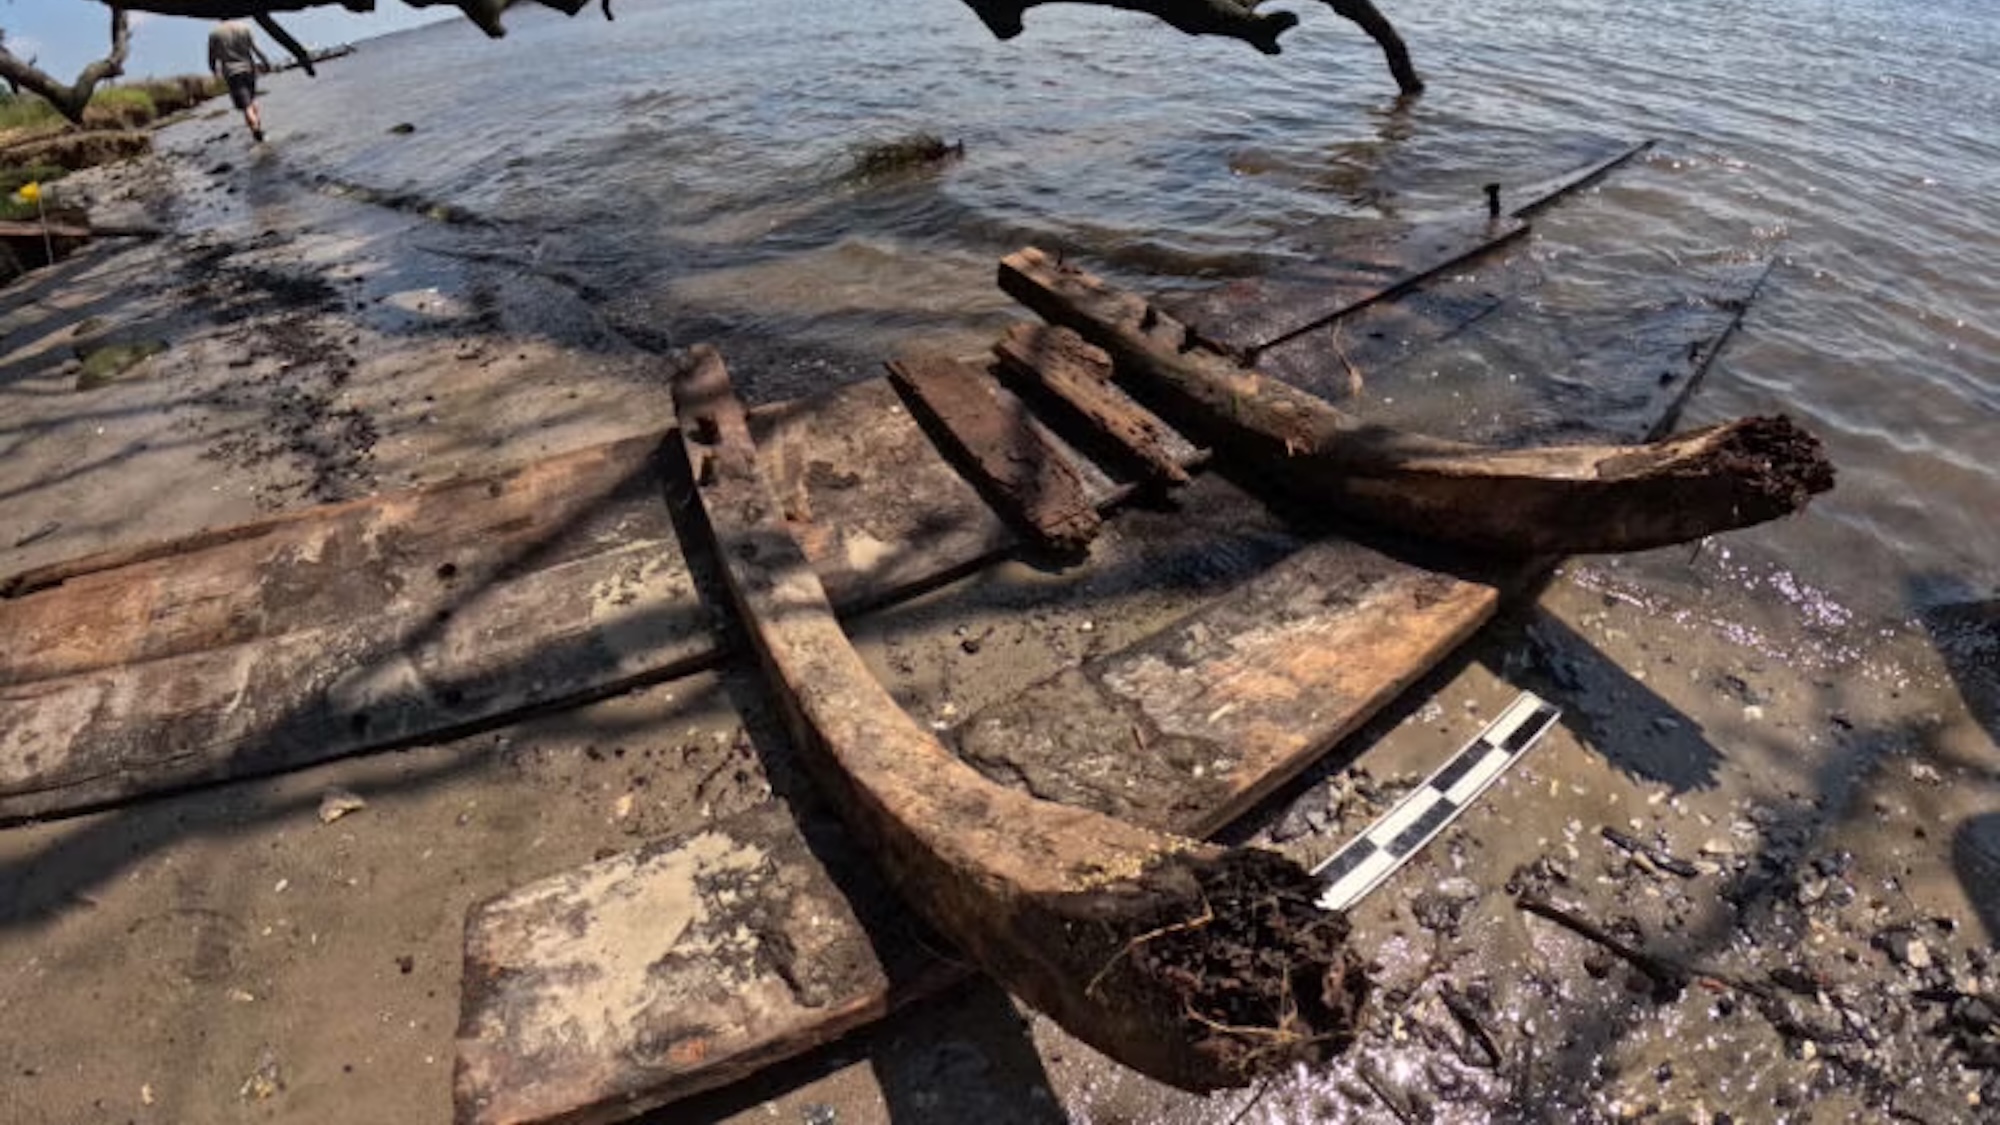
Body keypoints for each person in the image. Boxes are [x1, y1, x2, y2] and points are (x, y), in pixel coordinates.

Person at [207, 20, 272, 143]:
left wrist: (214, 71)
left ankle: (255, 132)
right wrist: (266, 62)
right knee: (251, 101)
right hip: (249, 70)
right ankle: (259, 130)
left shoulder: (214, 34)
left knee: (246, 106)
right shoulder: (244, 27)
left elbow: (211, 57)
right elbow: (255, 48)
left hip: (232, 73)